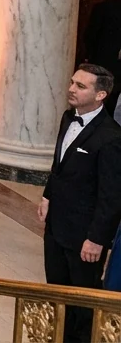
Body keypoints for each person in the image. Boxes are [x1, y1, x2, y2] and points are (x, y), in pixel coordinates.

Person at [41, 65, 121, 342]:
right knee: (56, 292)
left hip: (84, 235)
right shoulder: (68, 117)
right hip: (56, 227)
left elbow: (112, 196)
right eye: (72, 82)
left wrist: (97, 239)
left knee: (82, 302)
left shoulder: (111, 138)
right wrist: (47, 194)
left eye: (81, 86)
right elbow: (59, 163)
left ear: (101, 95)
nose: (71, 89)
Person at [86, 0, 121, 104]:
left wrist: (89, 56)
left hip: (104, 60)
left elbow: (91, 35)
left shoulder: (103, 7)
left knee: (101, 95)